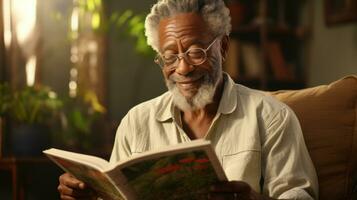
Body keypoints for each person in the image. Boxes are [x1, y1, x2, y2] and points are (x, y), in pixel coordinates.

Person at [58, 0, 318, 199]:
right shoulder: (137, 122)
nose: (182, 69)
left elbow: (298, 195)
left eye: (196, 52)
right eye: (169, 56)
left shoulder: (271, 116)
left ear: (223, 47)